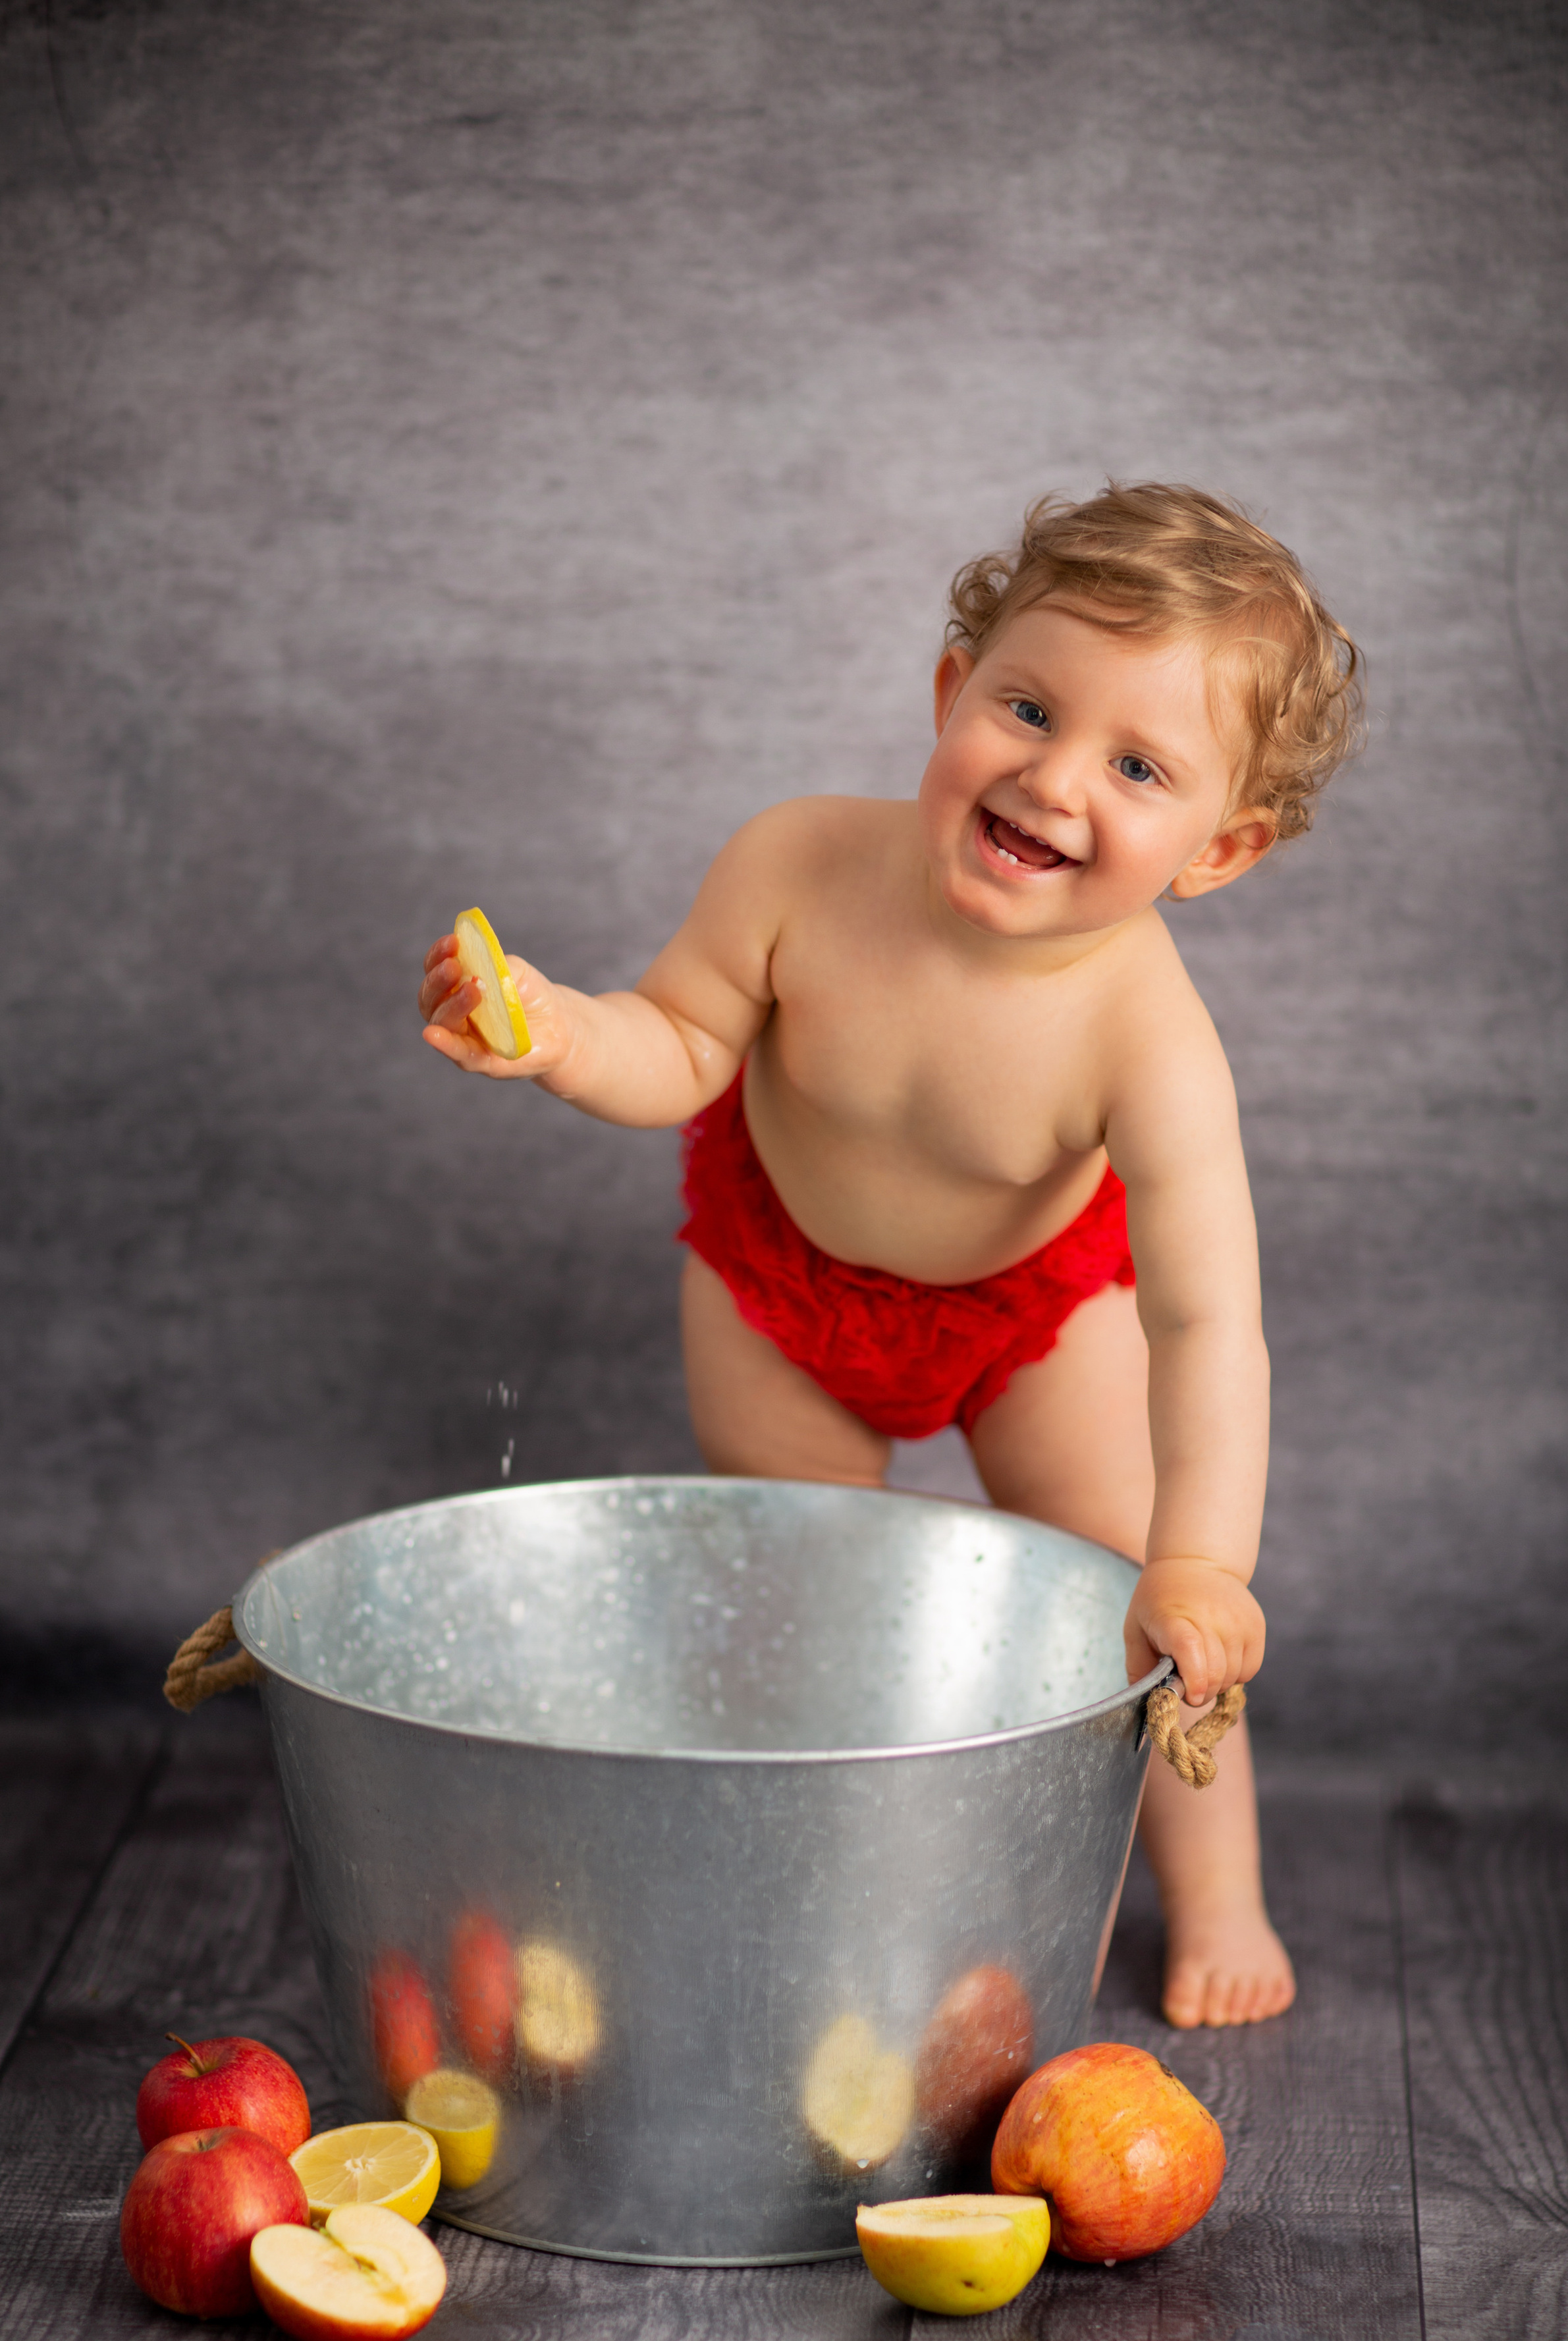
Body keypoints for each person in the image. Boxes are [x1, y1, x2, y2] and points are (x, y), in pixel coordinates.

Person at [419, 482, 1362, 2029]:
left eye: (1136, 766)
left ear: (1220, 848)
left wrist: (1204, 1559)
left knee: (1145, 1618)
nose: (1052, 778)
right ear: (950, 690)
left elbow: (1205, 1325)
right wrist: (561, 1034)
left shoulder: (1150, 1041)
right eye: (1027, 709)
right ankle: (817, 1883)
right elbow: (681, 1042)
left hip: (1032, 1317)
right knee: (796, 1597)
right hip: (778, 1282)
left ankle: (1215, 1893)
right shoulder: (794, 865)